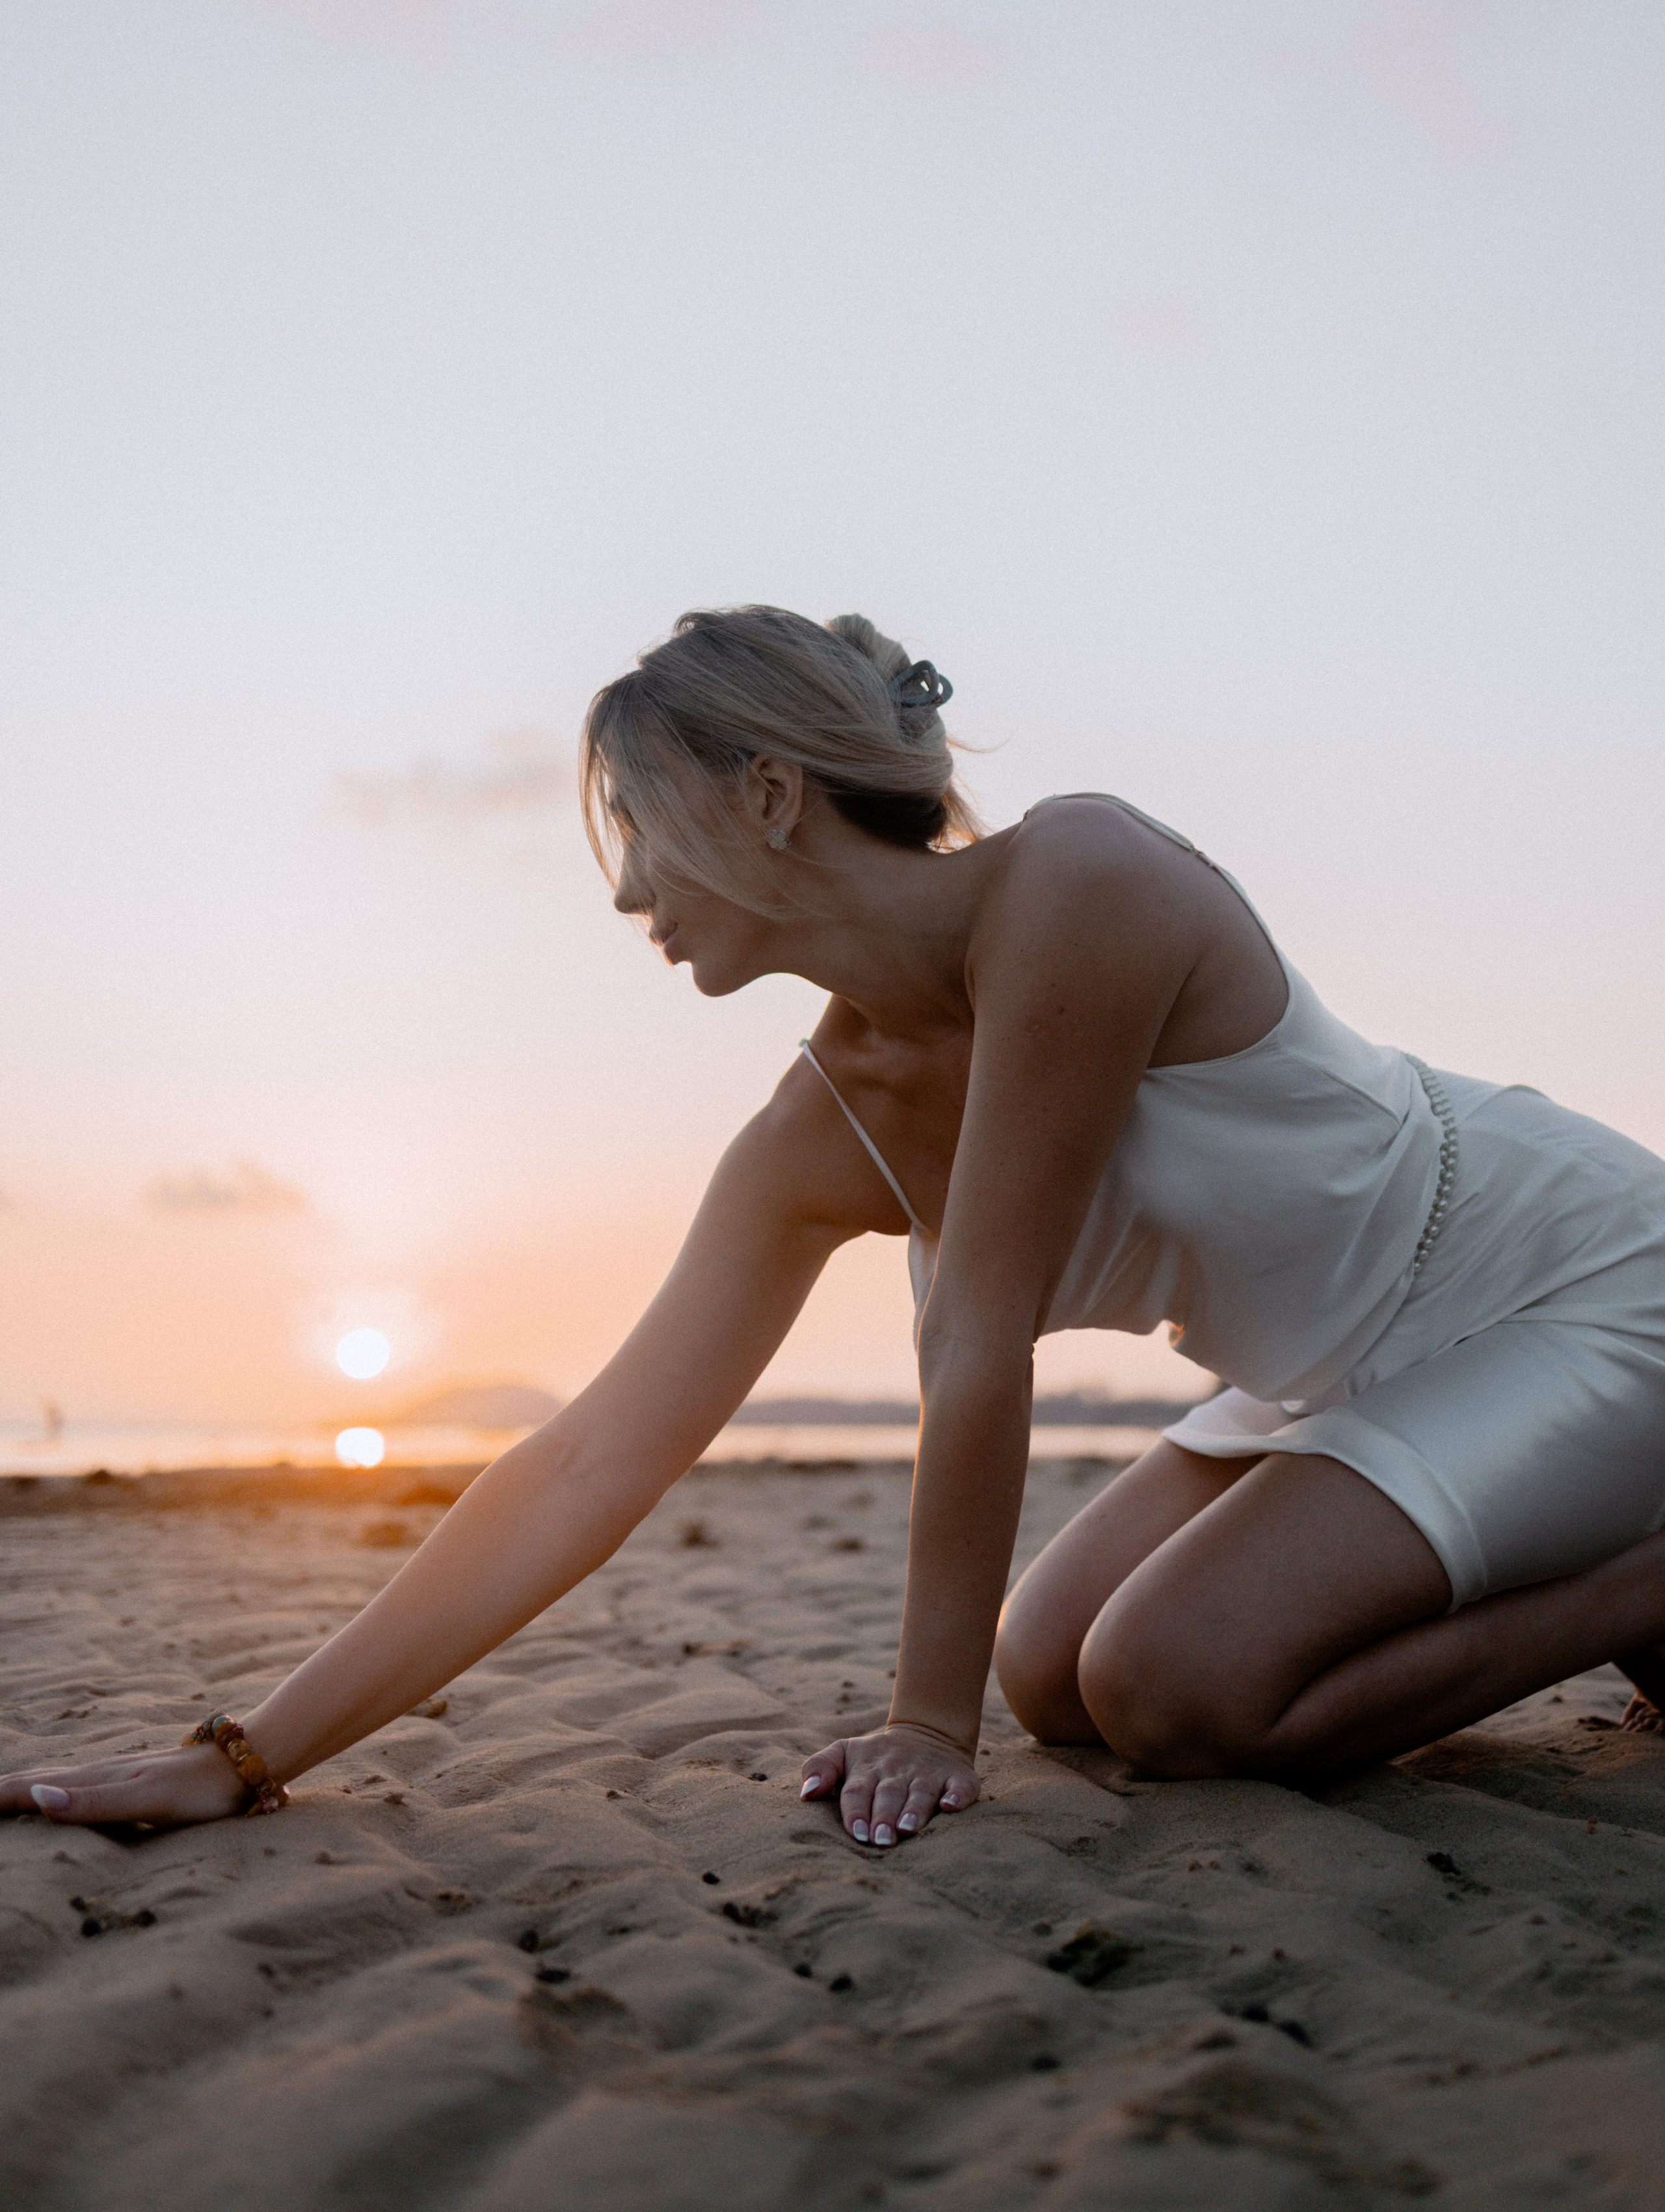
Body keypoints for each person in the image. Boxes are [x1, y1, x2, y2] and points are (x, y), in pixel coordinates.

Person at [7, 604, 1665, 1848]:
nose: (624, 892)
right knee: (1049, 1671)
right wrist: (244, 1759)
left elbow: (979, 1328)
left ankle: (1638, 1588)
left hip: (1566, 1287)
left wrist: (914, 1725)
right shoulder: (821, 1124)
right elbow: (587, 1461)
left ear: (772, 797)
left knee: (1172, 1689)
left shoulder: (1079, 882)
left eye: (639, 831)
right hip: (1329, 1371)